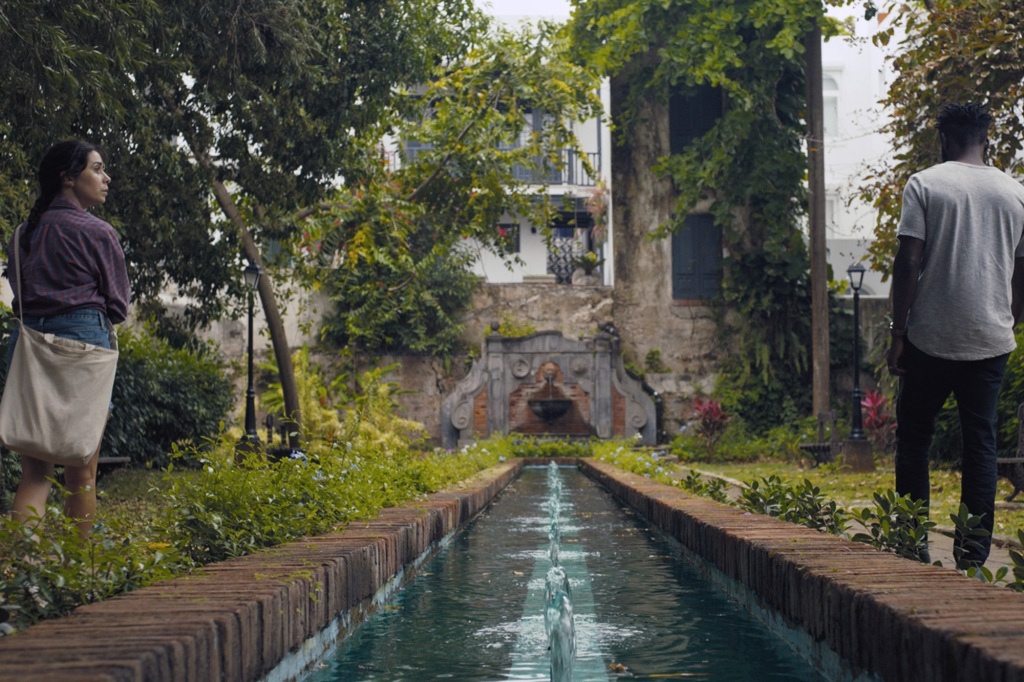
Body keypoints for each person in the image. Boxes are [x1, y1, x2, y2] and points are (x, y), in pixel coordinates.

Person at [888, 102, 1024, 567]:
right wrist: (1009, 319)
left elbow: (908, 262)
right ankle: (972, 556)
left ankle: (911, 544)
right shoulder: (1014, 192)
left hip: (929, 337)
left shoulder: (926, 183)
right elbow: (1021, 271)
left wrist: (897, 333)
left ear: (945, 139)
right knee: (980, 444)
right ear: (984, 139)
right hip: (991, 337)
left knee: (914, 438)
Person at [4, 140, 131, 539]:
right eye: (96, 169)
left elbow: (18, 297)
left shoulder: (23, 233)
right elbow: (118, 305)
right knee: (82, 472)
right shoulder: (99, 233)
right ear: (69, 178)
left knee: (36, 473)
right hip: (86, 347)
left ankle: (28, 573)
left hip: (30, 347)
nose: (105, 177)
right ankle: (77, 572)